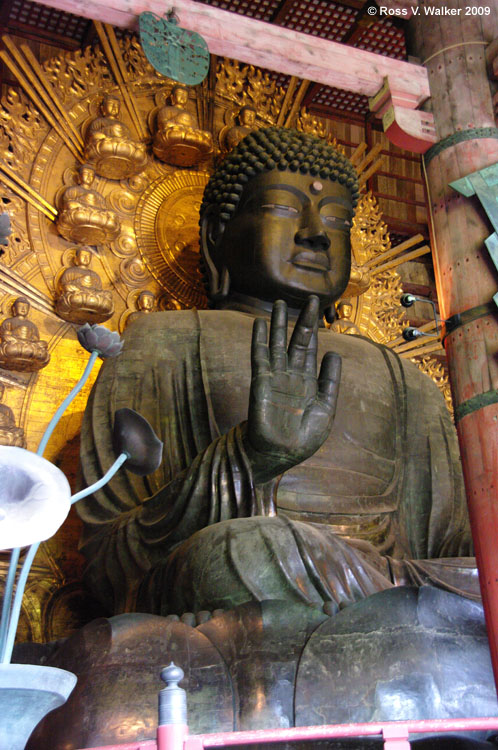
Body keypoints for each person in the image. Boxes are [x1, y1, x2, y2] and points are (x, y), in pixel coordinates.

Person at [79, 127, 474, 618]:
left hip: (388, 579)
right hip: (258, 564)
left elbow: (454, 544)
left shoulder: (404, 379)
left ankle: (379, 611)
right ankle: (382, 616)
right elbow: (107, 561)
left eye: (336, 218)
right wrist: (248, 459)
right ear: (216, 236)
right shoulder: (160, 340)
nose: (314, 232)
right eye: (284, 208)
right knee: (247, 551)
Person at [84, 94, 147, 180]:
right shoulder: (99, 122)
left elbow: (127, 141)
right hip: (105, 144)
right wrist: (109, 132)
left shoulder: (124, 126)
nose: (114, 107)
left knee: (140, 147)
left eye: (117, 106)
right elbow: (93, 135)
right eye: (111, 104)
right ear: (103, 109)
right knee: (114, 130)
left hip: (120, 145)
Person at [57, 164, 120, 244]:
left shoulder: (98, 195)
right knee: (71, 205)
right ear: (79, 177)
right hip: (80, 213)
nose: (89, 177)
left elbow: (104, 210)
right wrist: (80, 206)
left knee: (112, 214)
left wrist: (98, 211)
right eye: (86, 174)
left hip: (94, 214)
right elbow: (68, 204)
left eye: (91, 175)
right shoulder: (74, 190)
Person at [152, 84, 213, 166]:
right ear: (172, 97)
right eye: (180, 94)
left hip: (188, 134)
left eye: (185, 95)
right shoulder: (166, 110)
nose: (182, 97)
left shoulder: (191, 116)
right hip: (173, 133)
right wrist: (177, 123)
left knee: (208, 135)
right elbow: (164, 124)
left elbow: (195, 130)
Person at [56, 246, 113, 324]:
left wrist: (91, 290)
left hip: (91, 295)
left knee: (108, 294)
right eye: (83, 256)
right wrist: (79, 281)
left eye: (88, 256)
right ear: (76, 259)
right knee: (68, 288)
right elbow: (65, 285)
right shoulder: (70, 271)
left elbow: (98, 290)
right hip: (77, 293)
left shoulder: (94, 275)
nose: (86, 258)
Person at [0, 297, 50, 371]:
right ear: (14, 309)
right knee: (8, 346)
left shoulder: (32, 325)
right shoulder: (8, 321)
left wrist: (33, 340)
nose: (23, 309)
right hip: (14, 345)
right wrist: (12, 336)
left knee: (43, 344)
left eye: (26, 307)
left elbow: (36, 338)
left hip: (28, 345)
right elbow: (5, 334)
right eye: (20, 306)